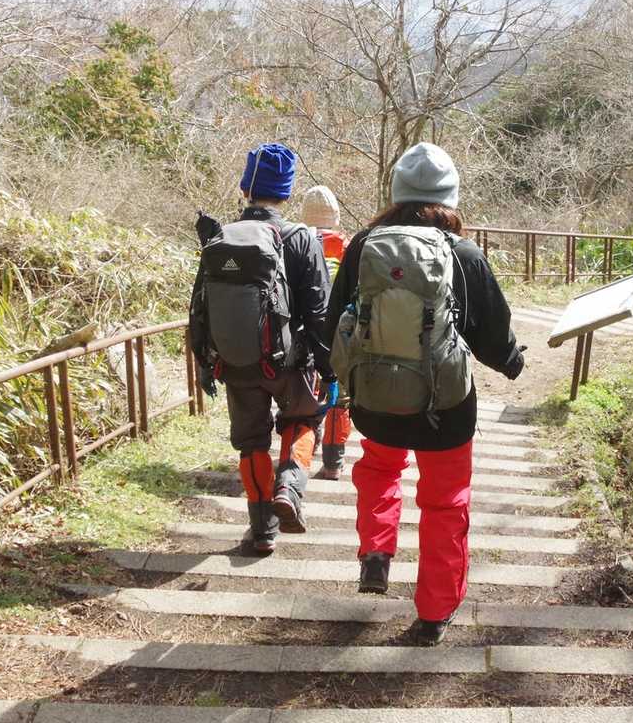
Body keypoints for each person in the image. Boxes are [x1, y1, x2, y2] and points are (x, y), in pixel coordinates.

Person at [326, 142, 524, 645]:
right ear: (450, 197)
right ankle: (435, 611)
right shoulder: (463, 254)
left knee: (379, 469)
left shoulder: (364, 246)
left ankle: (376, 551)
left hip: (375, 399)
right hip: (446, 408)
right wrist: (512, 362)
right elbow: (492, 334)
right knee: (446, 501)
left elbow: (334, 323)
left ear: (396, 193)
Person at [189, 143, 332, 555]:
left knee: (251, 442)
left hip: (236, 363)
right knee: (302, 420)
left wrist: (204, 363)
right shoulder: (300, 237)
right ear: (286, 193)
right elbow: (319, 312)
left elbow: (198, 307)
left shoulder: (221, 237)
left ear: (244, 189)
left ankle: (262, 530)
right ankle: (289, 487)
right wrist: (330, 369)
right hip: (291, 363)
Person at [300, 185, 352, 480]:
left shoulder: (295, 241)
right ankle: (333, 462)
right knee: (339, 396)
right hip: (339, 331)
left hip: (303, 329)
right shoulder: (347, 246)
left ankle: (303, 451)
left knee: (305, 390)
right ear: (336, 216)